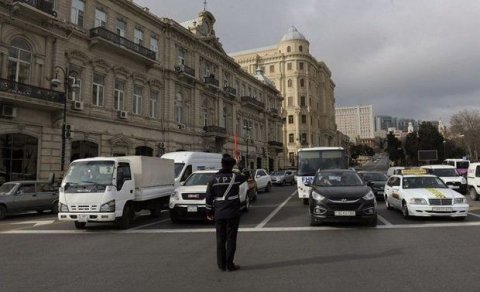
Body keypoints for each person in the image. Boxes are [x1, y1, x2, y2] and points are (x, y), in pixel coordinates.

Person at [206, 154, 248, 272]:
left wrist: (209, 212)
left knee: (220, 240)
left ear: (221, 164)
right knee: (231, 239)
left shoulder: (213, 179)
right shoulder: (236, 177)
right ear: (232, 166)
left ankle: (221, 265)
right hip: (233, 213)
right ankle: (230, 264)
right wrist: (240, 166)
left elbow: (209, 197)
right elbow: (247, 175)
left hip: (219, 212)